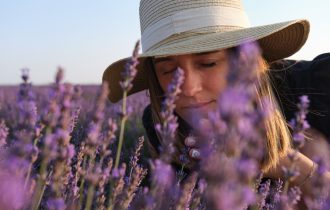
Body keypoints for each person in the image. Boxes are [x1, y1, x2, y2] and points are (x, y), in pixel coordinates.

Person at [102, 0, 330, 207]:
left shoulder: (317, 83)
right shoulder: (161, 123)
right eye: (167, 69)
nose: (188, 89)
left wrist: (294, 166)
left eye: (208, 63)